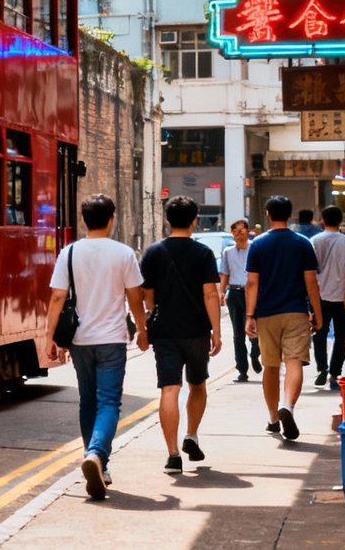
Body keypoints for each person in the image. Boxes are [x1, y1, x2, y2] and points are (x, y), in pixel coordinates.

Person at [45, 194, 148, 500]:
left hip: (80, 341)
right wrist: (142, 330)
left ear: (84, 219)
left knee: (87, 400)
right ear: (112, 218)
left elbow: (56, 298)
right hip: (112, 340)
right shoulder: (124, 254)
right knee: (109, 402)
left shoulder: (70, 252)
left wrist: (49, 337)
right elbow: (135, 297)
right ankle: (97, 455)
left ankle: (99, 464)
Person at [139, 196, 222, 473]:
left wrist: (157, 309)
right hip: (196, 330)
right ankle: (191, 435)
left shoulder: (153, 252)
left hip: (164, 331)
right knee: (198, 385)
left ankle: (173, 454)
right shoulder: (203, 253)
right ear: (194, 220)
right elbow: (210, 293)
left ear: (167, 219)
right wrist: (217, 332)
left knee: (169, 389)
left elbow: (147, 296)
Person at [244, 195, 323, 442]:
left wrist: (249, 315)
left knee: (270, 365)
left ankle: (272, 417)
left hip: (267, 313)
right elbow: (311, 282)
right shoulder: (302, 243)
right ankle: (287, 406)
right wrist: (318, 315)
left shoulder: (257, 244)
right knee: (295, 362)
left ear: (268, 214)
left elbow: (251, 283)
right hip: (296, 311)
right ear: (290, 215)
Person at [309, 206, 345, 389]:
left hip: (318, 295)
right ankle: (334, 373)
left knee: (319, 332)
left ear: (322, 219)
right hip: (340, 295)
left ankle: (322, 368)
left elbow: (309, 271)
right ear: (340, 220)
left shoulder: (314, 241)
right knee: (341, 334)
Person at [218, 219, 261, 382]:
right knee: (237, 333)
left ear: (247, 231)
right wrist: (222, 292)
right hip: (235, 292)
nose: (239, 234)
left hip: (252, 292)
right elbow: (225, 274)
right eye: (235, 231)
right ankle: (242, 369)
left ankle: (255, 354)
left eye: (241, 230)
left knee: (254, 329)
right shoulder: (228, 252)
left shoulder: (255, 248)